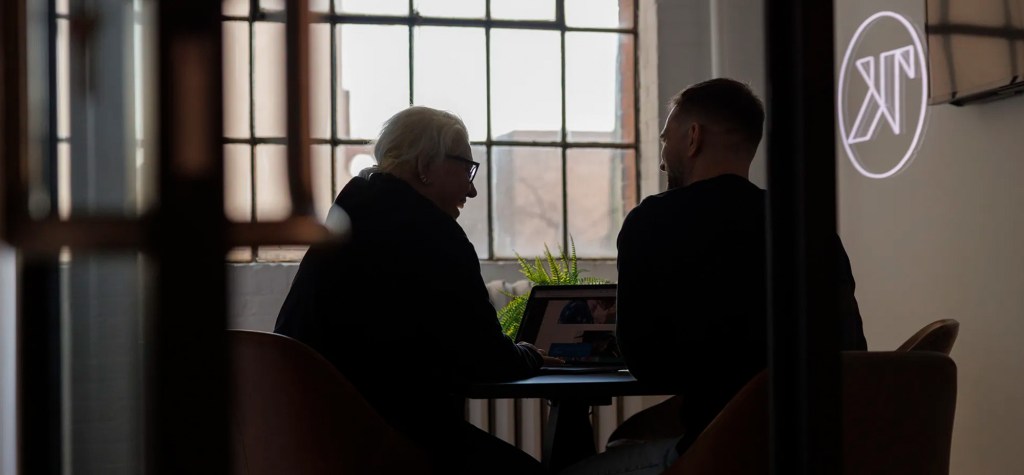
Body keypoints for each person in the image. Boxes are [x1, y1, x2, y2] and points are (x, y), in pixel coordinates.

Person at [560, 78, 867, 474]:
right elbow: (851, 348)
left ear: (693, 137)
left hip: (721, 455)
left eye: (665, 140)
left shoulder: (652, 221)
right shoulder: (809, 222)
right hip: (813, 454)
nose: (662, 159)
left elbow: (647, 364)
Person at [274, 105, 556, 475]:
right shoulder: (433, 235)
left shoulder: (347, 217)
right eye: (467, 169)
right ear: (425, 166)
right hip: (383, 441)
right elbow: (485, 359)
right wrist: (529, 355)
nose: (472, 190)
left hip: (305, 436)